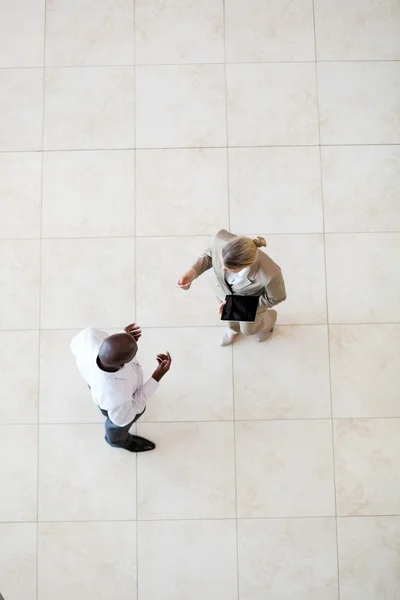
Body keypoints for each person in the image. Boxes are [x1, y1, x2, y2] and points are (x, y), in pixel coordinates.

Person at [70, 323, 171, 452]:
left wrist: (124, 335)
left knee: (110, 407)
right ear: (123, 363)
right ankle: (118, 441)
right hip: (117, 407)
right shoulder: (118, 397)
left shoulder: (89, 336)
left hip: (96, 384)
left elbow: (106, 347)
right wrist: (157, 376)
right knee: (116, 425)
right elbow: (126, 415)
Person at [177, 229, 286, 346]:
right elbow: (208, 255)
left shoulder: (270, 274)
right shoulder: (219, 240)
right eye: (222, 263)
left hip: (249, 305)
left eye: (229, 268)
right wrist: (193, 272)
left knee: (249, 330)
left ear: (247, 265)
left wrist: (236, 306)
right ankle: (234, 330)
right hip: (222, 291)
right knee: (227, 316)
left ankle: (268, 324)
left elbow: (276, 297)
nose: (222, 269)